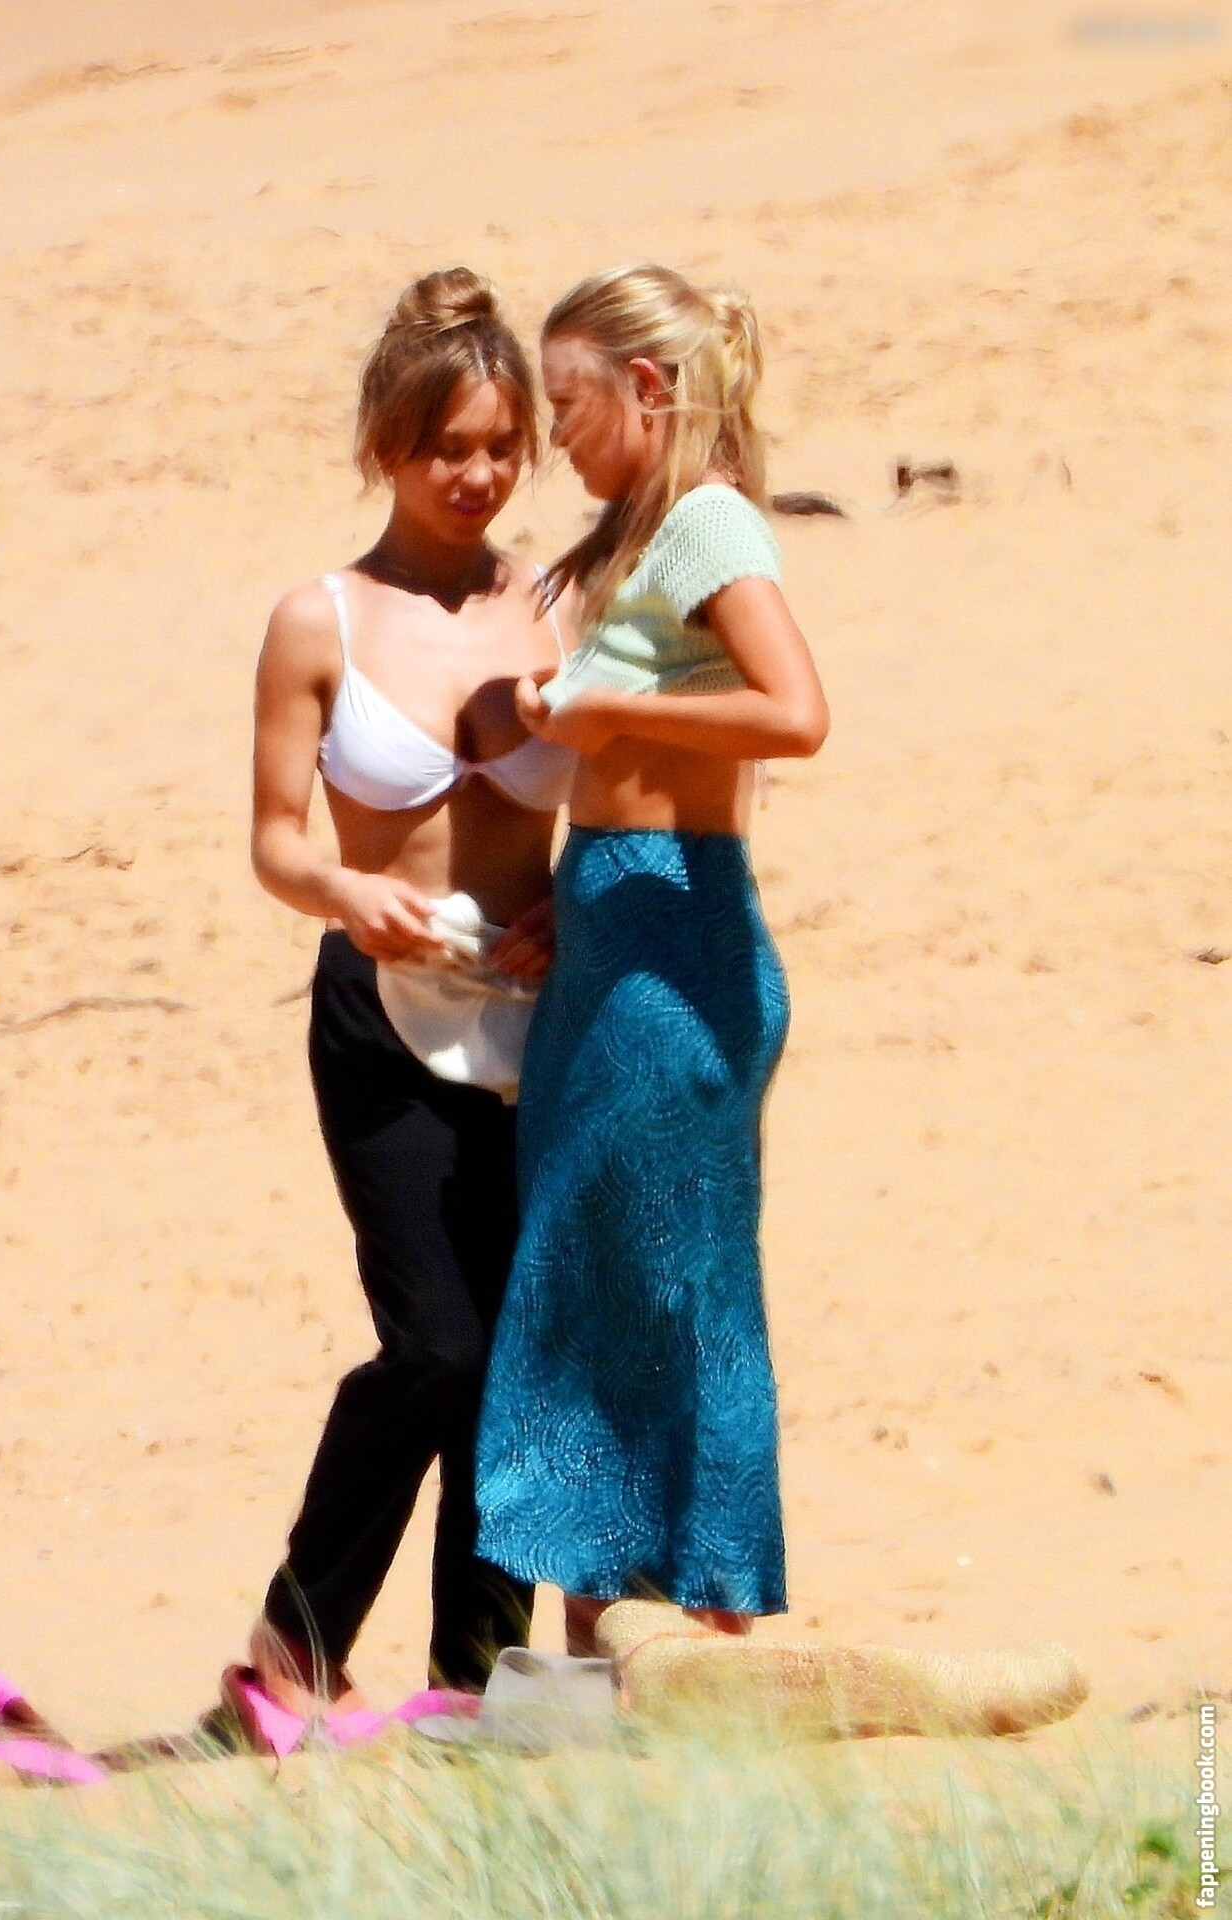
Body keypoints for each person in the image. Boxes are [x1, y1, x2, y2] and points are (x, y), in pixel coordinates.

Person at [474, 264, 830, 1658]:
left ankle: (706, 1638)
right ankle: (609, 1660)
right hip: (616, 935)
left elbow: (796, 713)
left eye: (569, 405)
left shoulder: (710, 520)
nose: (556, 437)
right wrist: (581, 884)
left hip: (677, 956)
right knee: (593, 1285)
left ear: (644, 387)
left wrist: (612, 714)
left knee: (675, 1294)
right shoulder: (643, 536)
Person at [238, 267, 577, 1728]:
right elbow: (274, 841)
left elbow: (624, 799)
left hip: (534, 1020)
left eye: (502, 446)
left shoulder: (557, 602)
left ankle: (478, 1687)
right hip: (379, 1010)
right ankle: (293, 1647)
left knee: (516, 1366)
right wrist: (343, 891)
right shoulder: (317, 620)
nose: (478, 475)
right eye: (448, 447)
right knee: (438, 1345)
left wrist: (575, 906)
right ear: (388, 443)